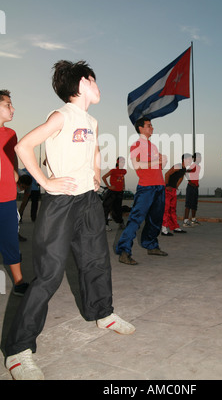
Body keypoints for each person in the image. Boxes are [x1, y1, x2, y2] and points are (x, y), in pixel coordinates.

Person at [5, 61, 135, 381]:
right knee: (48, 275)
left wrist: (94, 174)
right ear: (82, 83)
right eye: (95, 80)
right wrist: (46, 182)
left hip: (88, 201)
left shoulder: (91, 119)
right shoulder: (61, 115)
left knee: (96, 261)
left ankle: (101, 313)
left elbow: (91, 151)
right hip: (59, 204)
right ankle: (18, 352)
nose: (99, 86)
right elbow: (23, 146)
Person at [116, 117, 168, 265]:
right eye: (149, 125)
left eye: (152, 125)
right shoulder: (136, 145)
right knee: (136, 219)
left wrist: (162, 162)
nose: (152, 128)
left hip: (159, 186)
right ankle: (124, 251)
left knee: (155, 220)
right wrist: (157, 161)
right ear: (140, 128)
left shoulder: (153, 146)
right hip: (146, 187)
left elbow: (158, 166)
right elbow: (136, 165)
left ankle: (151, 245)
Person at [0, 89, 29, 296]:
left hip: (7, 196)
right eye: (8, 105)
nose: (13, 108)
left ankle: (19, 282)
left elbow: (12, 161)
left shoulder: (10, 134)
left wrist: (15, 175)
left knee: (10, 238)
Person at [161, 153, 193, 236]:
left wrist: (176, 186)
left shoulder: (184, 168)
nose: (191, 161)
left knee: (173, 209)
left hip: (173, 190)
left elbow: (181, 177)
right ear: (184, 160)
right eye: (189, 159)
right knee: (166, 209)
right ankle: (163, 229)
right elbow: (167, 174)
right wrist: (167, 185)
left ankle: (175, 227)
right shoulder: (178, 166)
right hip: (168, 189)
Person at [102, 156, 126, 231]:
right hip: (112, 192)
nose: (123, 163)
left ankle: (120, 223)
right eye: (121, 162)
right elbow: (104, 177)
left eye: (124, 162)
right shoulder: (113, 171)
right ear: (118, 162)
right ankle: (105, 224)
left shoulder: (124, 171)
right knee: (106, 207)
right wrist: (108, 186)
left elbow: (122, 178)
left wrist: (123, 186)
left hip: (119, 193)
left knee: (117, 209)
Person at [183, 152, 202, 227]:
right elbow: (186, 172)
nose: (200, 159)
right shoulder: (193, 165)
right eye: (199, 157)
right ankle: (185, 221)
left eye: (201, 157)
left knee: (194, 204)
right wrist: (190, 181)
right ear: (194, 158)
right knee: (188, 204)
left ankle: (193, 220)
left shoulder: (198, 166)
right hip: (191, 187)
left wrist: (197, 183)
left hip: (195, 187)